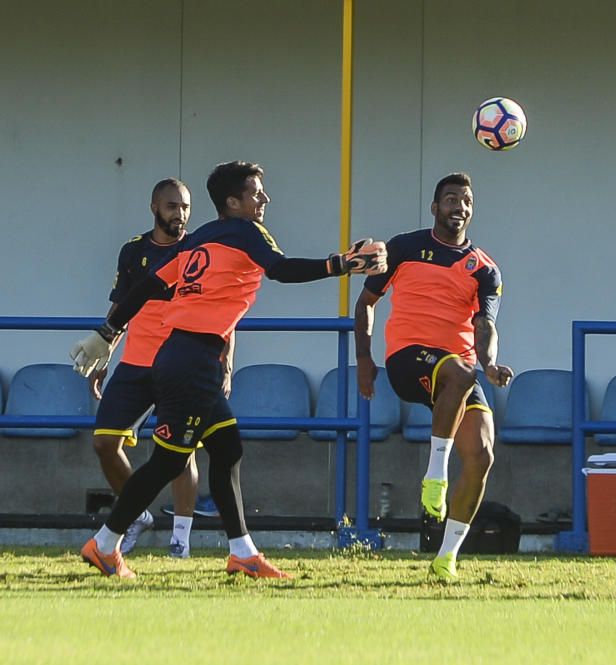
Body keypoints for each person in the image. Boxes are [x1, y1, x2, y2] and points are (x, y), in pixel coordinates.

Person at [70, 160, 387, 579]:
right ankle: (105, 545)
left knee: (226, 448)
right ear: (233, 202)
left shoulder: (198, 239)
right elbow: (281, 269)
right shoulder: (245, 231)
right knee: (168, 462)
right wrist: (340, 264)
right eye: (257, 193)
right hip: (192, 362)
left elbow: (147, 287)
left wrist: (107, 332)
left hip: (182, 356)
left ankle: (241, 552)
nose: (265, 199)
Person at [353, 172, 513, 582]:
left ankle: (446, 557)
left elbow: (485, 326)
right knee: (460, 372)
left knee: (481, 455)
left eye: (466, 201)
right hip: (409, 359)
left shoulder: (485, 269)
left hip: (456, 372)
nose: (458, 206)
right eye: (451, 199)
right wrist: (365, 360)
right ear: (434, 207)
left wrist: (490, 364)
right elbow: (366, 303)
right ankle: (435, 475)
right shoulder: (404, 247)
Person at [90, 177, 231, 559]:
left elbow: (221, 309)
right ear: (155, 207)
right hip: (136, 361)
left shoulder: (200, 249)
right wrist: (104, 349)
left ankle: (180, 540)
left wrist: (226, 363)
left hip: (183, 361)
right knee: (104, 442)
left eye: (185, 207)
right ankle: (134, 515)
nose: (180, 214)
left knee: (180, 452)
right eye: (172, 206)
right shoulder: (133, 252)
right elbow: (122, 305)